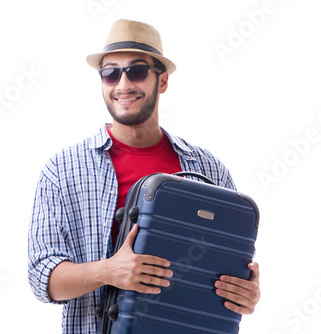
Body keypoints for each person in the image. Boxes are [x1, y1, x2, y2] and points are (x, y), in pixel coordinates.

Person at [28, 19, 260, 333]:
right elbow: (43, 277)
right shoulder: (63, 170)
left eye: (136, 71)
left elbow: (231, 265)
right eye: (110, 73)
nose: (123, 85)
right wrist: (108, 271)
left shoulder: (209, 168)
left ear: (162, 81)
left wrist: (246, 293)